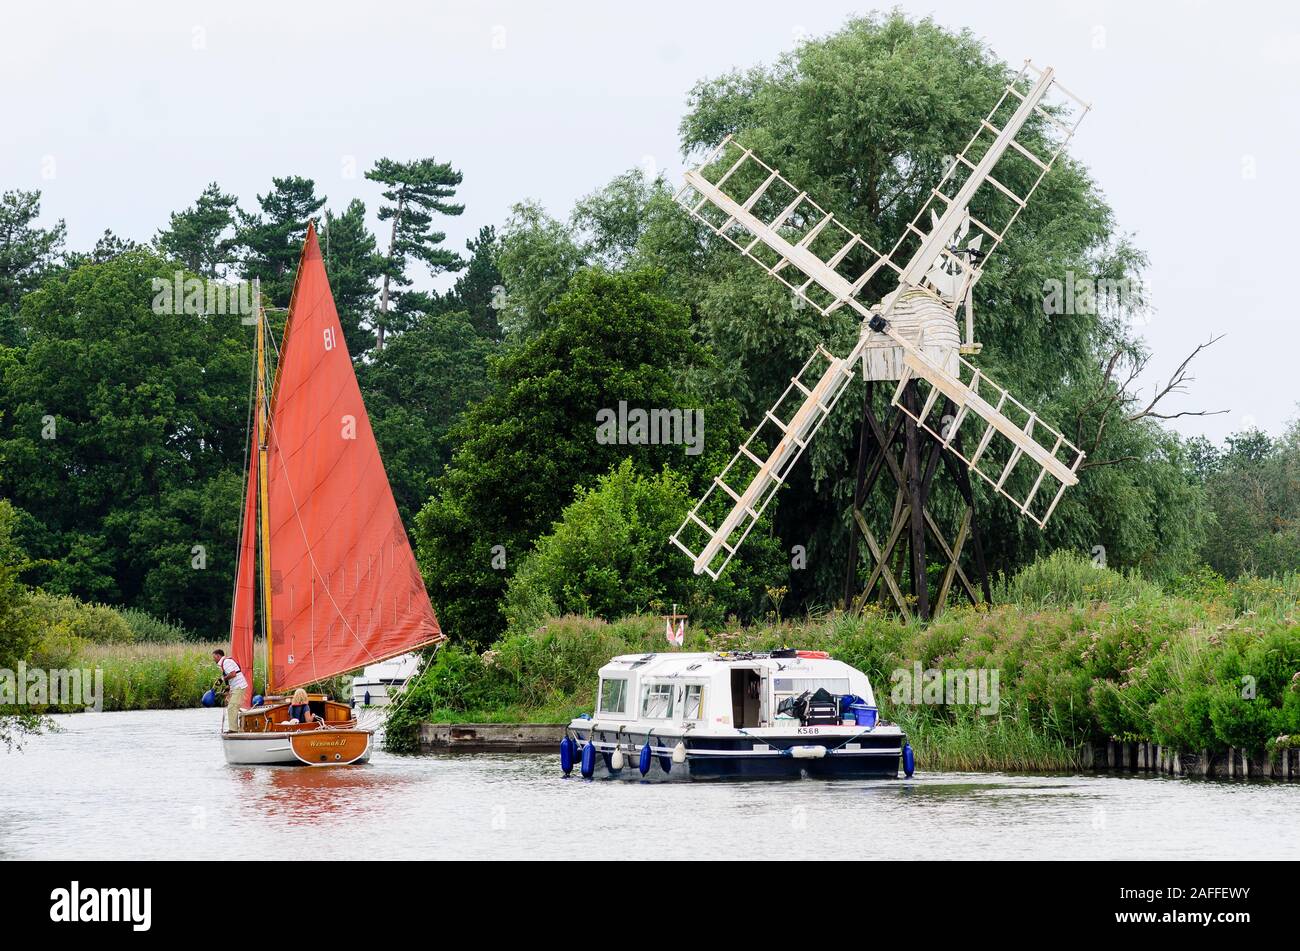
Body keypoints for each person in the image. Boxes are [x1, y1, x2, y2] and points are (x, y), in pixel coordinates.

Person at [213, 649, 248, 732]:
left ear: (218, 656)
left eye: (214, 657)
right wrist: (227, 688)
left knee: (232, 707)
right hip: (236, 687)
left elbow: (233, 674)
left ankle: (233, 730)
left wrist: (222, 679)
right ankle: (240, 726)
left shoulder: (226, 662)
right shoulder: (224, 663)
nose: (213, 659)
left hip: (239, 686)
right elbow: (230, 675)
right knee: (233, 706)